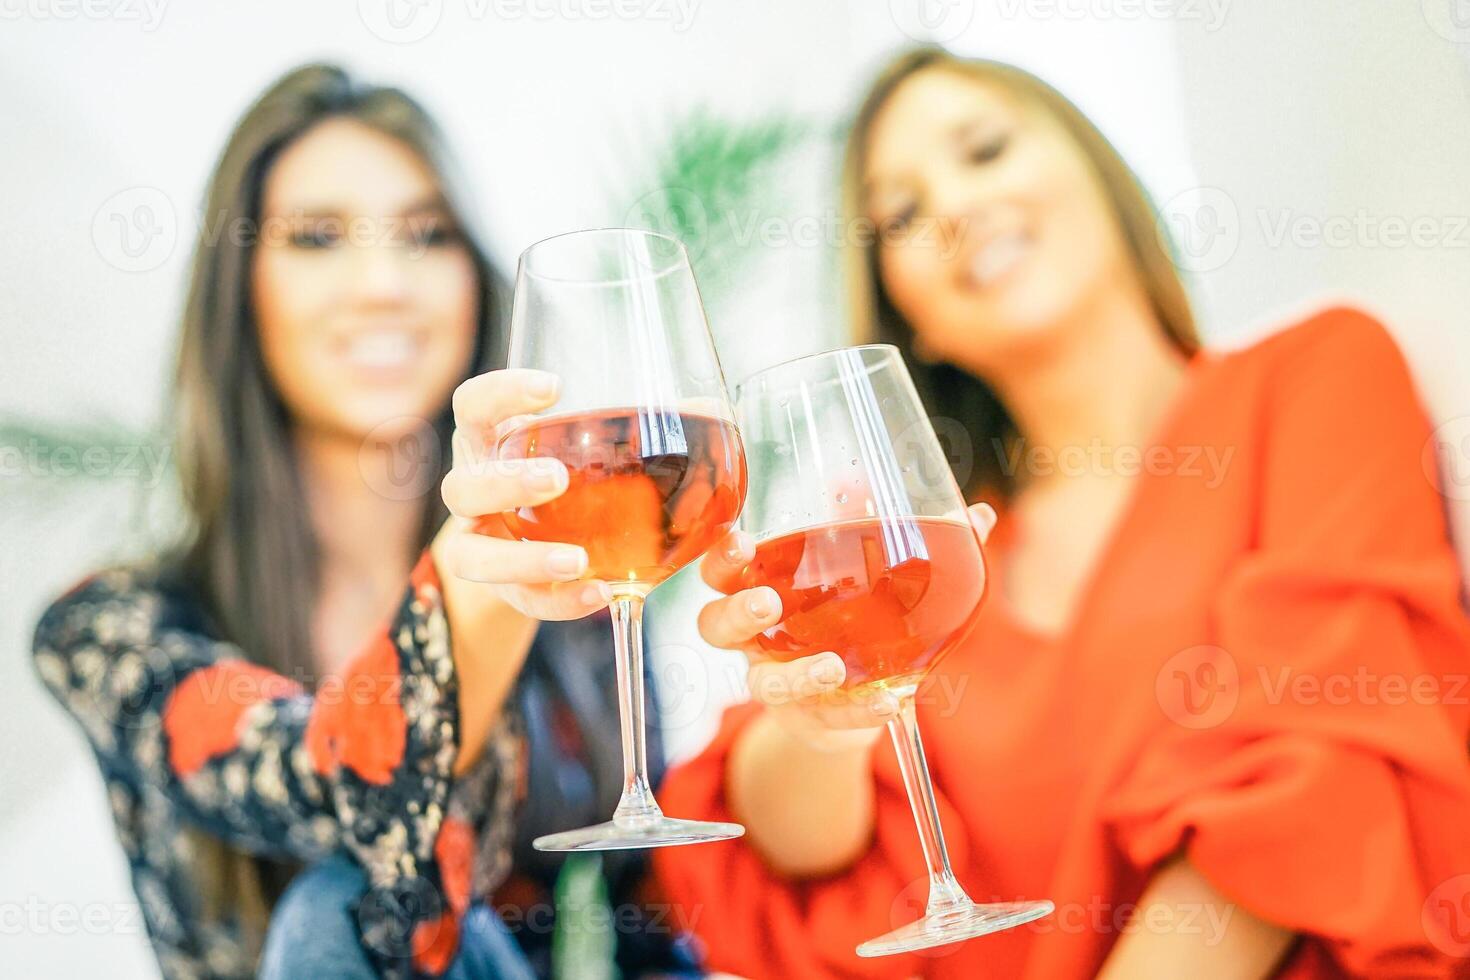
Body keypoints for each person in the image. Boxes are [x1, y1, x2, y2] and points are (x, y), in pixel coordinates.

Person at [652, 47, 1470, 978]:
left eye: (987, 150)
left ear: (1097, 171)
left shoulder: (1315, 378)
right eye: (905, 215)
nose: (955, 208)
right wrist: (820, 724)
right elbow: (799, 855)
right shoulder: (924, 553)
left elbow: (1316, 768)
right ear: (910, 315)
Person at [33, 64, 701, 980]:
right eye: (317, 238)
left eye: (426, 236)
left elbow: (653, 935)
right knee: (345, 904)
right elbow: (345, 789)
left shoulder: (582, 607)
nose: (383, 283)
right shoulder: (107, 631)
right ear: (240, 290)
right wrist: (476, 583)